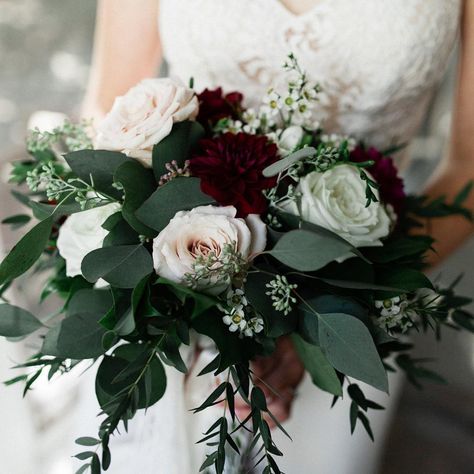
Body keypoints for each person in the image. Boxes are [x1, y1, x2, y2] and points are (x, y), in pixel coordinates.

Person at [78, 1, 474, 473]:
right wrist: (160, 276)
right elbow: (107, 111)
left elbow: (469, 165)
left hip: (359, 282)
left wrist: (333, 313)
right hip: (174, 277)